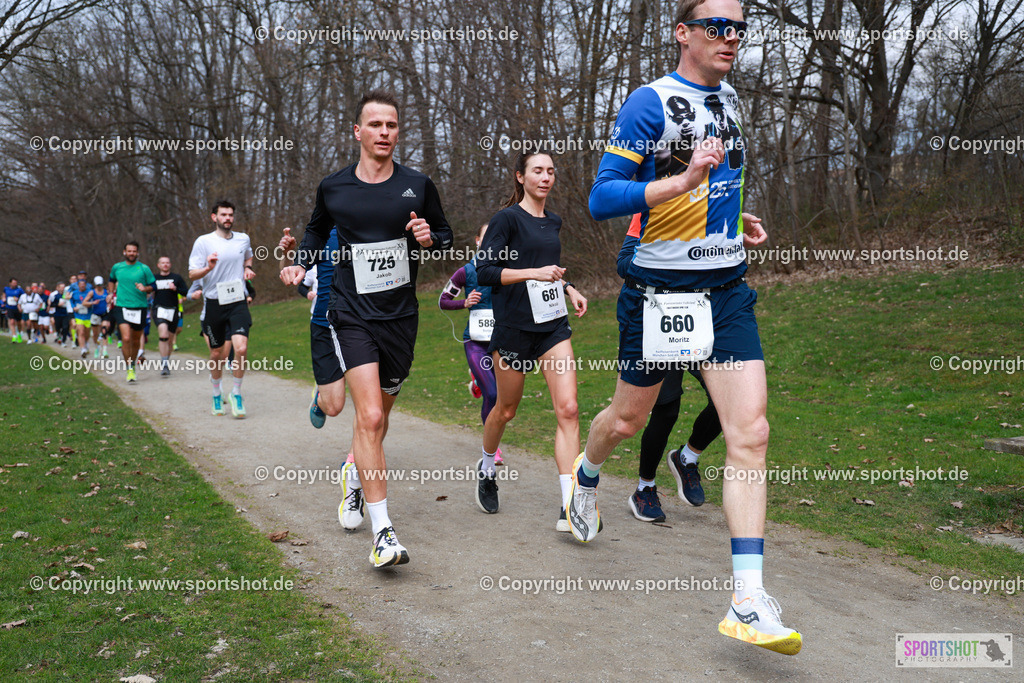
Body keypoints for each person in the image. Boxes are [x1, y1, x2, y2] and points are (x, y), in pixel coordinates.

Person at [568, 0, 801, 654]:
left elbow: (713, 185)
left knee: (750, 431)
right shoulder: (649, 103)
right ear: (683, 33)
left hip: (726, 287)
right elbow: (603, 196)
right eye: (717, 27)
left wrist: (735, 213)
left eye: (740, 28)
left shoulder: (729, 100)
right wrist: (685, 180)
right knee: (627, 420)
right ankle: (586, 478)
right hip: (659, 293)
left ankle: (747, 599)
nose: (731, 37)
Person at [281, 89, 454, 569]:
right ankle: (384, 533)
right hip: (351, 312)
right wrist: (300, 263)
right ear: (357, 132)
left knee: (379, 419)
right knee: (371, 417)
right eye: (375, 125)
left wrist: (429, 238)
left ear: (399, 132)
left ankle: (353, 479)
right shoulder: (334, 187)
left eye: (392, 125)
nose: (384, 133)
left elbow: (444, 234)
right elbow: (317, 230)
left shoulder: (417, 185)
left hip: (400, 317)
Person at [474, 152, 588, 523]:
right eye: (538, 171)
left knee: (568, 409)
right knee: (505, 410)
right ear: (520, 177)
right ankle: (488, 466)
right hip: (514, 330)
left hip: (552, 326)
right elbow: (486, 271)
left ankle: (570, 504)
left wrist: (569, 287)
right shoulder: (506, 220)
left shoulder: (553, 221)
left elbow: (548, 270)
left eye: (551, 171)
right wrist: (532, 273)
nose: (546, 177)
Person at [438, 223, 502, 464]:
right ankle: (492, 449)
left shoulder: (505, 270)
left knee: (498, 397)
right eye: (486, 238)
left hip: (499, 341)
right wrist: (464, 302)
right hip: (474, 341)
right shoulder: (466, 271)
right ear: (477, 240)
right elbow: (443, 301)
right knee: (493, 394)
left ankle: (477, 379)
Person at [188, 200, 255, 416]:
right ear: (213, 217)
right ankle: (216, 394)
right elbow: (192, 274)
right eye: (223, 214)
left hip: (237, 300)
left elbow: (249, 256)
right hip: (214, 303)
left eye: (231, 215)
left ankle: (236, 393)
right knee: (216, 353)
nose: (228, 218)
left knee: (241, 348)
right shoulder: (203, 242)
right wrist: (208, 267)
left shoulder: (243, 239)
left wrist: (247, 269)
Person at [109, 241, 157, 383]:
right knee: (126, 338)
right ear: (124, 252)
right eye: (129, 251)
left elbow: (153, 285)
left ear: (138, 253)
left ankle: (132, 364)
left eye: (134, 251)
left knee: (136, 340)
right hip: (121, 306)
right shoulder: (117, 267)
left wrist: (145, 288)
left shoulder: (144, 268)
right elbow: (111, 280)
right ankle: (129, 368)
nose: (131, 253)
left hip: (139, 307)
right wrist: (110, 293)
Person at [151, 256, 188, 376]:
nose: (165, 265)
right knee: (163, 334)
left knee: (170, 340)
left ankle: (166, 361)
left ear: (170, 265)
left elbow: (186, 291)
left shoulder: (176, 278)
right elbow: (147, 289)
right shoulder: (154, 278)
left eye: (167, 263)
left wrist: (176, 288)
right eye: (163, 263)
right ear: (158, 265)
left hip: (173, 310)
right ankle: (164, 364)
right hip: (159, 309)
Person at [69, 277, 95, 357]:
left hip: (88, 315)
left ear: (86, 285)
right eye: (81, 285)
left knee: (87, 333)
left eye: (84, 285)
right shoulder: (75, 293)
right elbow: (71, 301)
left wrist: (90, 304)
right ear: (78, 285)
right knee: (81, 331)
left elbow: (93, 300)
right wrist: (73, 307)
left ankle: (86, 343)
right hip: (78, 315)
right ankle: (83, 349)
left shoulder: (90, 292)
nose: (82, 286)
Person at [90, 276, 111, 358]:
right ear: (95, 285)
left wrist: (109, 302)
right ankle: (97, 347)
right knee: (95, 334)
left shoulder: (106, 292)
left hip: (104, 314)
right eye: (98, 285)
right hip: (95, 315)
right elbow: (85, 302)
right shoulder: (92, 292)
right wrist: (93, 303)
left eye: (100, 285)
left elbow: (110, 301)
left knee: (104, 330)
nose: (99, 286)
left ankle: (105, 350)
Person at [5, 278, 25, 343]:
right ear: (10, 283)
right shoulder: (6, 289)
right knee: (12, 322)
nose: (15, 284)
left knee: (19, 323)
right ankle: (14, 336)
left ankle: (19, 334)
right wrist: (3, 299)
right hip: (9, 308)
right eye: (13, 283)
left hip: (17, 308)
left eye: (16, 283)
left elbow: (24, 298)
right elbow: (4, 295)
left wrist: (18, 299)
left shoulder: (19, 290)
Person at [51, 282, 71, 346]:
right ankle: (59, 336)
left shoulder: (67, 295)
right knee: (58, 328)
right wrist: (58, 304)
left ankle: (63, 341)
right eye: (61, 287)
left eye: (63, 287)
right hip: (58, 314)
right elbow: (52, 304)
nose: (62, 289)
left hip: (65, 314)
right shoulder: (56, 296)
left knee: (65, 327)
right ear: (58, 288)